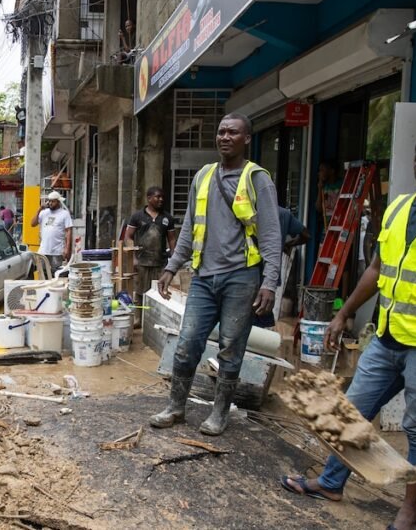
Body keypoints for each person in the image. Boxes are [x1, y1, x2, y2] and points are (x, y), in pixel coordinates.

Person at [281, 131, 416, 530]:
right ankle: (331, 482)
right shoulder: (397, 209)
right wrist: (343, 312)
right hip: (387, 337)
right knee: (350, 411)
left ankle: (409, 509)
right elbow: (377, 271)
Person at [150, 112, 282, 436]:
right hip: (204, 279)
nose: (225, 137)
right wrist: (171, 267)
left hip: (241, 278)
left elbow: (270, 234)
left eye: (233, 133)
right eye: (221, 132)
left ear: (246, 139)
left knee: (230, 349)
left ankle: (220, 413)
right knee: (186, 345)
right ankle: (176, 407)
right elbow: (188, 228)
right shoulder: (204, 176)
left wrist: (269, 282)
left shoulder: (257, 179)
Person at [125, 187, 177, 326]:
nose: (161, 199)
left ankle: (155, 321)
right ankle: (138, 320)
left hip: (160, 262)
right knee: (140, 291)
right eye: (157, 197)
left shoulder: (167, 218)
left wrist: (174, 258)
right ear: (148, 198)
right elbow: (128, 236)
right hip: (141, 261)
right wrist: (134, 257)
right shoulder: (137, 217)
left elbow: (171, 239)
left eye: (162, 197)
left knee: (159, 291)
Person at [253, 206, 310, 328]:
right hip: (270, 277)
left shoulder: (250, 210)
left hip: (248, 273)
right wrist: (288, 244)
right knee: (263, 315)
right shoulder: (283, 214)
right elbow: (306, 235)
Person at [31, 192, 74, 272]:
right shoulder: (44, 213)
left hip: (57, 251)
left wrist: (67, 249)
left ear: (58, 202)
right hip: (43, 250)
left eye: (53, 201)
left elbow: (68, 231)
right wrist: (39, 209)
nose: (50, 203)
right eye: (49, 201)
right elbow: (33, 224)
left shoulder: (64, 214)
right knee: (43, 273)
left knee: (56, 273)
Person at [316, 160, 343, 226]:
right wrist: (320, 188)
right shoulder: (324, 186)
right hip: (327, 225)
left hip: (339, 224)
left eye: (322, 170)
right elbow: (319, 208)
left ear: (332, 171)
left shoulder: (342, 184)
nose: (319, 173)